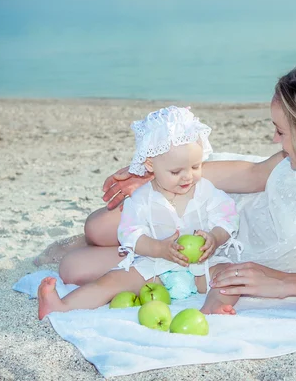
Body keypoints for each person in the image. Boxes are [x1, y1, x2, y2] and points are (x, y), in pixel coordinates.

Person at [35, 62, 296, 303]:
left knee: (75, 267)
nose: (275, 141)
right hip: (227, 210)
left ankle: (139, 246)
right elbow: (249, 175)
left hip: (228, 251)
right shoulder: (286, 160)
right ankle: (141, 232)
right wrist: (155, 181)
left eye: (281, 132)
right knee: (98, 226)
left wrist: (286, 282)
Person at [37, 106, 242, 320]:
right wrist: (158, 248)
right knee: (111, 281)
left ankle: (215, 305)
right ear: (150, 164)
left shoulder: (205, 190)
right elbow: (129, 234)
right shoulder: (142, 199)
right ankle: (61, 305)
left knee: (232, 275)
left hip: (204, 266)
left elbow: (228, 216)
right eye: (176, 171)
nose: (187, 177)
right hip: (156, 269)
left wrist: (215, 238)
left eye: (195, 167)